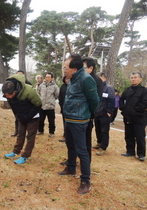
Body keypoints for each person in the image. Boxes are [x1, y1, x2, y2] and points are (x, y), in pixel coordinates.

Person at [57, 54, 99, 195]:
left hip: (79, 120)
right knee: (70, 145)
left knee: (82, 151)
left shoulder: (86, 79)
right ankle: (71, 167)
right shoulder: (72, 79)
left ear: (74, 69)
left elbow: (94, 100)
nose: (64, 70)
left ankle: (85, 181)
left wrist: (87, 114)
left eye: (65, 68)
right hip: (69, 119)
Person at [2, 74, 42, 164]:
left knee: (30, 137)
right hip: (21, 116)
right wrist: (18, 116)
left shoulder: (29, 91)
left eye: (8, 95)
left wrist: (27, 116)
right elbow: (14, 107)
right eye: (6, 95)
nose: (7, 97)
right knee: (20, 134)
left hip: (32, 117)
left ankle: (25, 156)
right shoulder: (8, 92)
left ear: (15, 92)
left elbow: (38, 104)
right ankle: (16, 152)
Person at [119, 72, 147, 162]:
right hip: (128, 117)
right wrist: (123, 109)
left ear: (140, 79)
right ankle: (130, 151)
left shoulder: (144, 91)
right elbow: (121, 100)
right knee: (128, 135)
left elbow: (144, 103)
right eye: (131, 77)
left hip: (139, 117)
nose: (133, 79)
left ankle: (141, 154)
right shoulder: (127, 90)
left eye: (135, 77)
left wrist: (134, 111)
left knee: (140, 136)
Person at [82, 57, 103, 161]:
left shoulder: (96, 80)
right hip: (78, 114)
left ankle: (86, 161)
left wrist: (89, 113)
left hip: (87, 115)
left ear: (91, 68)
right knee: (76, 140)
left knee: (86, 140)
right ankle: (73, 159)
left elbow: (95, 100)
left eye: (83, 67)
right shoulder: (82, 78)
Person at [94, 72, 115, 156]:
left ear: (104, 77)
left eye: (99, 78)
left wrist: (109, 111)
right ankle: (99, 142)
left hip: (105, 113)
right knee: (97, 129)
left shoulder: (108, 88)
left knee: (104, 131)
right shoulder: (97, 88)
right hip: (97, 112)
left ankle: (103, 147)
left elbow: (112, 100)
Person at [37, 72, 60, 137]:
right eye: (46, 77)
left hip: (50, 106)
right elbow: (38, 93)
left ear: (52, 78)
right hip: (42, 106)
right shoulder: (41, 85)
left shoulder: (55, 87)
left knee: (51, 120)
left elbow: (57, 95)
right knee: (41, 120)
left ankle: (51, 132)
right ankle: (40, 130)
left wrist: (51, 101)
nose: (47, 78)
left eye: (48, 77)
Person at [10, 70, 32, 137]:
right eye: (18, 75)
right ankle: (17, 131)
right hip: (17, 104)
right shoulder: (14, 84)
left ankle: (28, 133)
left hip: (26, 105)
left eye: (21, 75)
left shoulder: (29, 84)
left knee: (28, 119)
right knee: (17, 118)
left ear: (24, 75)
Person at [58, 76, 69, 142]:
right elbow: (60, 97)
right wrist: (62, 106)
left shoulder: (73, 86)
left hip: (71, 109)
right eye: (66, 79)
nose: (67, 80)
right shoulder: (63, 87)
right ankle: (65, 135)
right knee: (65, 122)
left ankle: (69, 136)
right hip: (64, 108)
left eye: (68, 79)